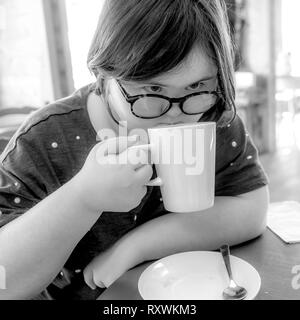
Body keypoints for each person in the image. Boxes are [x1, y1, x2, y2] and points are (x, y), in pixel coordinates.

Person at [0, 0, 269, 300]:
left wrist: (135, 246)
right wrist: (82, 198)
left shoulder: (212, 116)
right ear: (103, 75)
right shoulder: (44, 139)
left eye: (197, 87)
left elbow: (252, 207)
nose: (175, 115)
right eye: (151, 90)